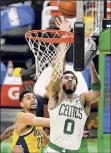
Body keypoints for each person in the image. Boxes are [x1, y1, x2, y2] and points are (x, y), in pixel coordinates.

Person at [43, 17, 101, 152]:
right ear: (61, 82)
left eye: (72, 78)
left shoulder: (83, 99)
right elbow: (57, 71)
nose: (69, 79)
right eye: (66, 77)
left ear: (76, 82)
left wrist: (92, 66)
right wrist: (64, 37)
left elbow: (97, 93)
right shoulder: (55, 97)